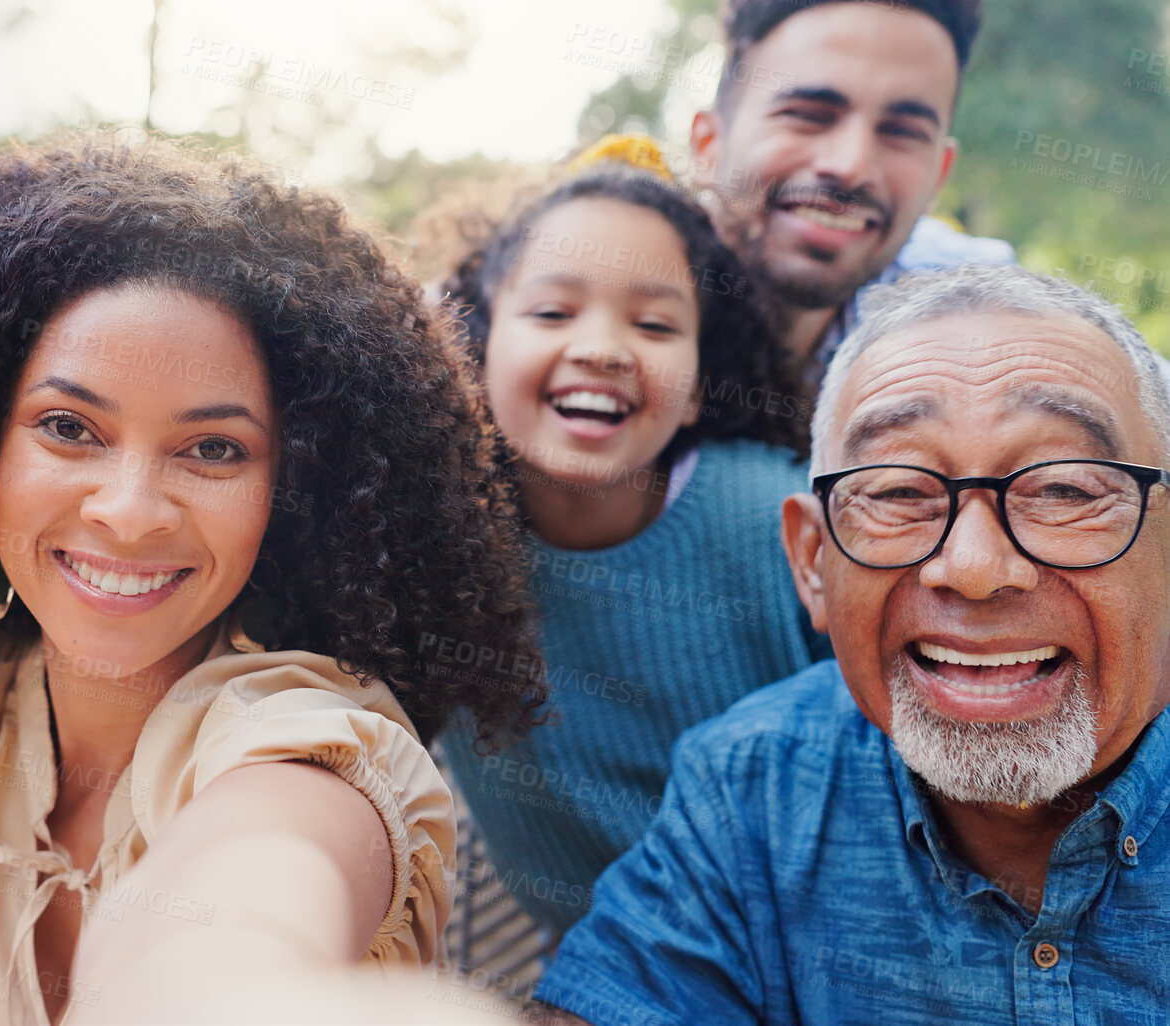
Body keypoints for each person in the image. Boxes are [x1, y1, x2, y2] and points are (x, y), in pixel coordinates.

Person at [0, 133, 544, 1025]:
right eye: (68, 427)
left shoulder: (312, 741)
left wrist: (232, 979)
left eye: (213, 449)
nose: (130, 510)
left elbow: (244, 913)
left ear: (295, 493)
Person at [530, 264, 1170, 1025]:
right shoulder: (751, 788)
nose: (971, 568)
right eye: (898, 492)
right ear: (810, 562)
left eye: (1064, 489)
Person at [434, 159, 827, 984]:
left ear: (692, 390)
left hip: (824, 960)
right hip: (600, 972)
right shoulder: (424, 543)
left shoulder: (777, 522)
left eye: (653, 325)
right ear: (476, 344)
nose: (603, 348)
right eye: (551, 311)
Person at [686, 0, 1013, 380]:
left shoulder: (977, 319)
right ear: (708, 146)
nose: (851, 166)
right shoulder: (616, 289)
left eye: (903, 132)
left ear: (938, 176)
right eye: (807, 116)